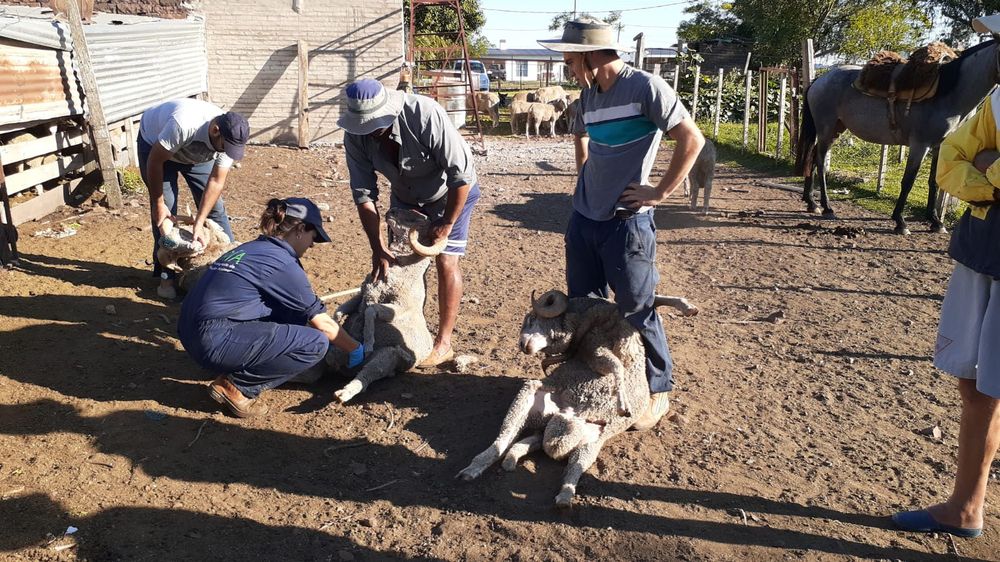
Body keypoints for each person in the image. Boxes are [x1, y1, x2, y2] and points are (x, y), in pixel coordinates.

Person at [538, 18, 705, 430]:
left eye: (570, 58)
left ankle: (658, 387)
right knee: (585, 303)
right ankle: (595, 380)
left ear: (591, 56)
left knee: (637, 306)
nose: (566, 65)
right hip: (584, 218)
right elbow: (581, 136)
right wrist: (584, 175)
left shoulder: (646, 87)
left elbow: (692, 139)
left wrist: (660, 192)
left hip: (627, 222)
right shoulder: (589, 95)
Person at [891, 15, 1000, 539]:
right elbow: (949, 162)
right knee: (975, 380)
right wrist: (989, 176)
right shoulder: (996, 105)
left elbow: (972, 164)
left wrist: (988, 169)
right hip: (982, 248)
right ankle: (965, 506)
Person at [338, 78, 480, 368]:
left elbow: (461, 176)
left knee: (445, 261)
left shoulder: (425, 114)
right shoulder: (355, 137)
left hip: (450, 195)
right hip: (405, 197)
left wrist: (448, 222)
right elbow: (364, 196)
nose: (371, 132)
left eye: (374, 124)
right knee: (402, 267)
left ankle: (443, 343)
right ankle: (410, 330)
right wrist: (377, 247)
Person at [178, 198, 365, 418]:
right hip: (212, 341)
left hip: (191, 335)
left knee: (292, 314)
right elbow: (322, 324)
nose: (312, 245)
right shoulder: (281, 262)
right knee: (315, 343)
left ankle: (231, 363)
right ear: (300, 229)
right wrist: (356, 350)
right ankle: (236, 388)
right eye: (313, 238)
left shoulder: (252, 248)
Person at [138, 98, 250, 300]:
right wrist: (158, 203)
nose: (228, 152)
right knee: (165, 214)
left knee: (215, 209)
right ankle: (167, 278)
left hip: (196, 156)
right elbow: (155, 162)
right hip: (156, 148)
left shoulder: (229, 139)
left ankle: (231, 271)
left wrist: (199, 222)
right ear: (216, 130)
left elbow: (216, 181)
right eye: (225, 147)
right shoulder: (184, 123)